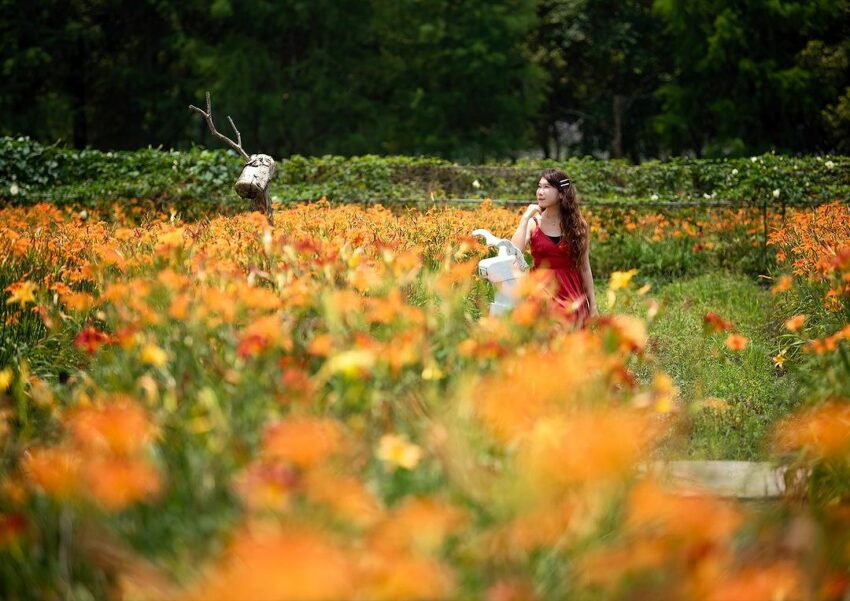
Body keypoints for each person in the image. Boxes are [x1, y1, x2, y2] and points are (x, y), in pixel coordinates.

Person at [510, 168, 598, 326]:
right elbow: (513, 254)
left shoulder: (578, 226)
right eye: (539, 186)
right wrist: (525, 218)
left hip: (572, 297)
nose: (540, 192)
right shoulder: (533, 224)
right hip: (540, 296)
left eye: (547, 187)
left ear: (561, 194)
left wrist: (593, 306)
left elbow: (585, 268)